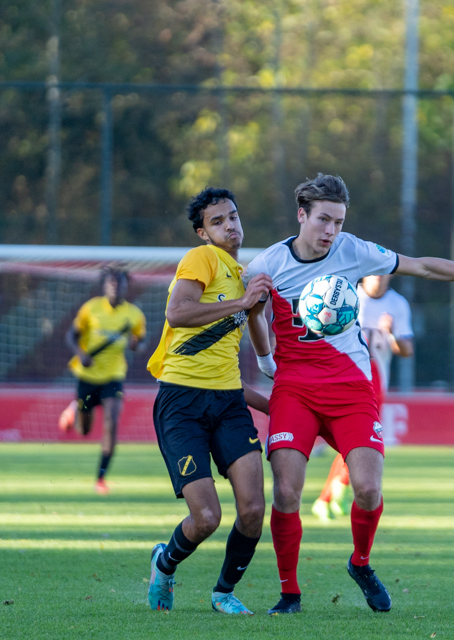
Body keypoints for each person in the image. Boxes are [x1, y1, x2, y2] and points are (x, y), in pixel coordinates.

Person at [247, 174, 454, 615]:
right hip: (296, 390)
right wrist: (266, 362)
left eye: (339, 221)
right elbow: (251, 312)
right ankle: (290, 593)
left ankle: (360, 563)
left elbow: (422, 265)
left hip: (351, 389)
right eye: (324, 219)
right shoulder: (268, 264)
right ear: (301, 215)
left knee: (367, 490)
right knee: (286, 492)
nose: (331, 231)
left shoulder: (353, 251)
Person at [145, 187, 273, 615]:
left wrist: (255, 308)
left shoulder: (244, 274)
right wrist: (241, 302)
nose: (230, 226)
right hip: (181, 403)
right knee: (206, 518)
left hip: (229, 404)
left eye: (233, 217)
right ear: (203, 233)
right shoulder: (202, 259)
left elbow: (253, 348)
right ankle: (164, 564)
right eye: (217, 221)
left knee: (254, 508)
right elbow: (177, 313)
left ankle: (223, 592)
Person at [311, 274, 413, 522]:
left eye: (384, 271)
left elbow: (407, 350)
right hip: (343, 376)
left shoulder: (397, 303)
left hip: (376, 379)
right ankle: (331, 496)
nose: (379, 277)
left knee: (357, 440)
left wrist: (390, 334)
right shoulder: (345, 296)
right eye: (375, 271)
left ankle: (330, 496)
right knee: (358, 439)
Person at [57, 266, 147, 494]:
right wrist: (81, 354)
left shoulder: (134, 315)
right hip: (87, 376)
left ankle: (101, 478)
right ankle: (73, 412)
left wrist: (136, 345)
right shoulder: (91, 309)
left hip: (114, 376)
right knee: (84, 431)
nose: (116, 287)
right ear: (104, 286)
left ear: (127, 287)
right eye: (111, 283)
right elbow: (71, 336)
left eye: (120, 284)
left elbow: (140, 341)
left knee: (112, 421)